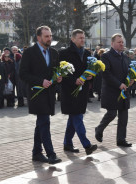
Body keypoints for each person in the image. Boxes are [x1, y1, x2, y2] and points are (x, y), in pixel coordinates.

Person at [19, 26, 62, 164]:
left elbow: (54, 71)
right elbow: (23, 73)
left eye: (50, 36)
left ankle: (36, 152)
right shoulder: (29, 52)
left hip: (49, 93)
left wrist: (58, 78)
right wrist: (40, 81)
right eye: (46, 36)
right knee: (44, 122)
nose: (49, 39)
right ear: (38, 37)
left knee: (41, 123)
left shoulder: (54, 53)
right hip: (36, 93)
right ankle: (51, 154)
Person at [59, 29, 97, 155]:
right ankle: (87, 145)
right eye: (80, 38)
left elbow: (91, 69)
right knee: (77, 117)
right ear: (73, 39)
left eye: (83, 37)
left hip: (82, 91)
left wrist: (92, 76)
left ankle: (67, 143)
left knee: (73, 118)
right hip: (70, 91)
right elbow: (61, 73)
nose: (83, 40)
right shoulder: (64, 53)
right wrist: (73, 80)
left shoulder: (86, 53)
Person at [95, 33, 134, 147]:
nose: (122, 44)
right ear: (112, 43)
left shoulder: (125, 57)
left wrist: (132, 81)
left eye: (122, 42)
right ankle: (99, 128)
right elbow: (106, 73)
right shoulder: (106, 56)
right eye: (119, 42)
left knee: (124, 115)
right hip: (112, 90)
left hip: (124, 90)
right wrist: (119, 84)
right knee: (112, 113)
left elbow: (129, 72)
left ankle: (121, 140)